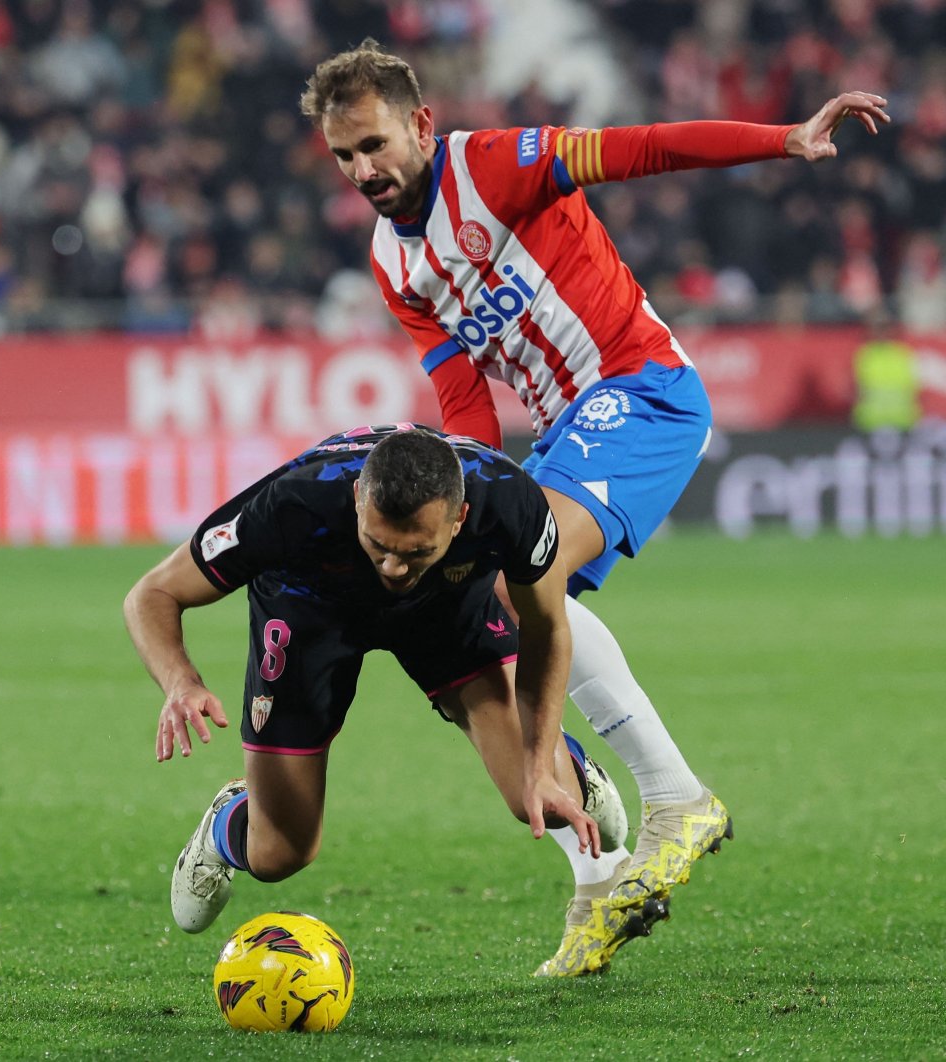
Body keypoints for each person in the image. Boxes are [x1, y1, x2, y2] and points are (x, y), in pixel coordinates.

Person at [301, 41, 889, 972]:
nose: (363, 171)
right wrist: (468, 507)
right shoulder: (392, 262)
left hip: (640, 390)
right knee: (480, 603)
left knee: (519, 583)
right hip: (567, 429)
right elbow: (461, 397)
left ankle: (670, 799)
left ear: (419, 124)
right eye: (343, 157)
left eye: (373, 145)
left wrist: (784, 139)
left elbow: (642, 146)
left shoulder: (494, 165)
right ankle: (597, 858)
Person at [125, 425, 661, 978]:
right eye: (378, 545)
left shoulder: (510, 498)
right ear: (358, 499)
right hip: (309, 609)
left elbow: (548, 627)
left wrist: (539, 755)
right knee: (279, 855)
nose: (393, 568)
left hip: (448, 607)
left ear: (460, 518)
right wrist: (180, 682)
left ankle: (565, 765)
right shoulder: (291, 503)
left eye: (415, 550)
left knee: (541, 799)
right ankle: (229, 819)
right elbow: (152, 593)